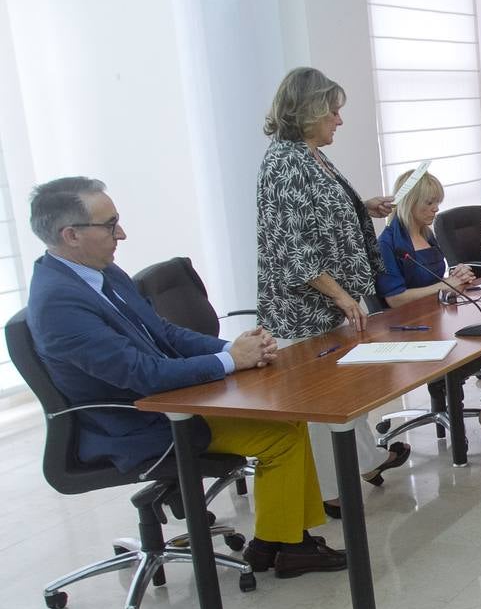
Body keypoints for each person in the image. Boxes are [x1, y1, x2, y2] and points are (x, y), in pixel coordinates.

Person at [26, 177, 344, 578]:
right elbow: (146, 375)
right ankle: (287, 544)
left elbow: (164, 333)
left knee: (290, 417)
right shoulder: (59, 302)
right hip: (132, 424)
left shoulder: (100, 272)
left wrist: (230, 350)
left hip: (162, 404)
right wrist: (232, 363)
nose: (120, 233)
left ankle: (279, 541)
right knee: (279, 437)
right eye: (109, 225)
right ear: (70, 235)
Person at [255, 67, 410, 519]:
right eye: (332, 111)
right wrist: (340, 295)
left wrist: (364, 207)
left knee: (344, 388)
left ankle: (358, 464)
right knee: (320, 399)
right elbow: (293, 245)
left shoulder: (311, 154)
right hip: (305, 308)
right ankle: (330, 490)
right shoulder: (284, 161)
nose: (339, 120)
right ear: (307, 111)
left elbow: (319, 214)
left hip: (333, 299)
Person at [376, 167, 481, 448]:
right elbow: (395, 299)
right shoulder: (387, 243)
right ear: (410, 202)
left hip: (441, 316)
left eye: (438, 202)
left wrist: (458, 275)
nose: (436, 209)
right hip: (413, 330)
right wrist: (445, 286)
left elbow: (438, 279)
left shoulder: (426, 233)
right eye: (429, 203)